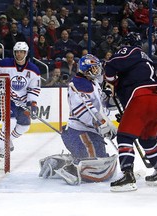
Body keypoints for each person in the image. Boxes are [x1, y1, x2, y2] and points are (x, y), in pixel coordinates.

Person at [104, 32, 157, 192]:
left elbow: (111, 65)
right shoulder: (146, 58)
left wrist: (110, 80)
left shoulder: (130, 51)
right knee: (147, 140)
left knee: (124, 136)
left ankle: (127, 175)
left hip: (140, 98)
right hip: (154, 101)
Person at [39, 54, 118, 185]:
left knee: (94, 157)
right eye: (94, 68)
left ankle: (62, 163)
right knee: (94, 162)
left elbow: (97, 106)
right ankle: (65, 167)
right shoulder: (79, 84)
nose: (97, 71)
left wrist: (106, 99)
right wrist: (100, 125)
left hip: (86, 133)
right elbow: (82, 111)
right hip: (79, 134)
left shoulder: (91, 83)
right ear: (86, 69)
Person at [0, 41, 41, 157]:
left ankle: (6, 140)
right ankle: (0, 148)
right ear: (14, 52)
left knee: (24, 127)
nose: (19, 54)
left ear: (26, 53)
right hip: (7, 98)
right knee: (10, 122)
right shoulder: (4, 64)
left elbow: (34, 88)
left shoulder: (34, 70)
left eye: (22, 52)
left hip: (23, 102)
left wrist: (32, 104)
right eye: (17, 52)